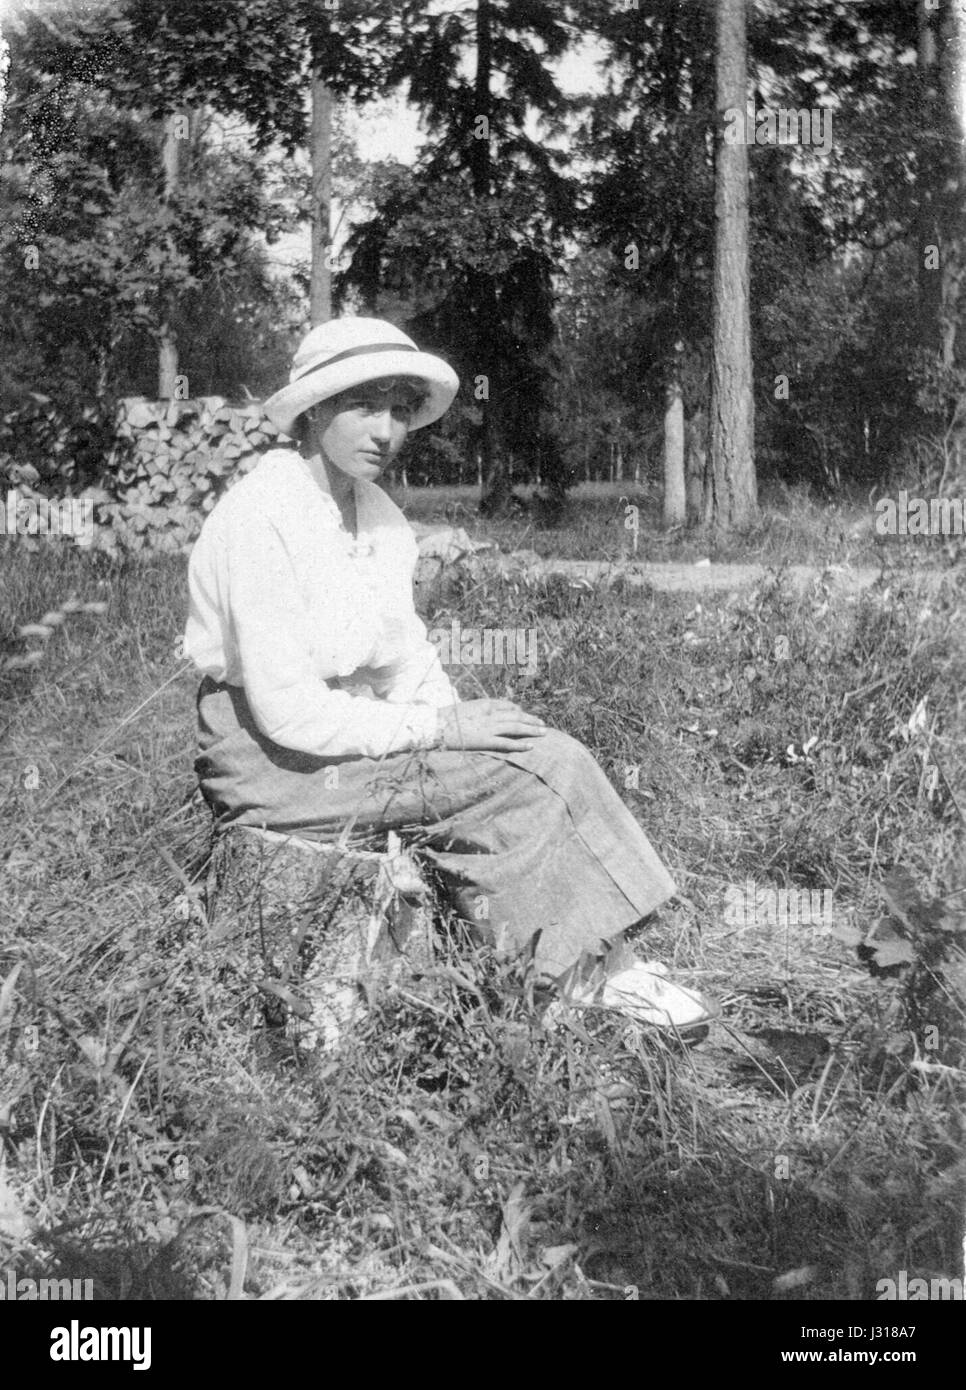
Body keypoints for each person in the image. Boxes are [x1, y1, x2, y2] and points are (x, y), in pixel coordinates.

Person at [183, 316, 714, 1036]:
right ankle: (578, 975)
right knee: (524, 774)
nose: (386, 430)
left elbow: (407, 657)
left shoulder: (376, 516)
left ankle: (584, 958)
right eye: (363, 406)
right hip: (272, 760)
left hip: (338, 731)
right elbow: (287, 713)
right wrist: (439, 731)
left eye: (400, 409)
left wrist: (462, 730)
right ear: (312, 410)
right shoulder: (260, 518)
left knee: (528, 752)